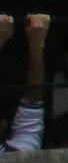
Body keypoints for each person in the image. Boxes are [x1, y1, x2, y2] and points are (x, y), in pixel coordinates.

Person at [3, 14, 51, 152]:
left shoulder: (19, 153)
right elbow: (33, 100)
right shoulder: (22, 154)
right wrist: (37, 44)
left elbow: (32, 103)